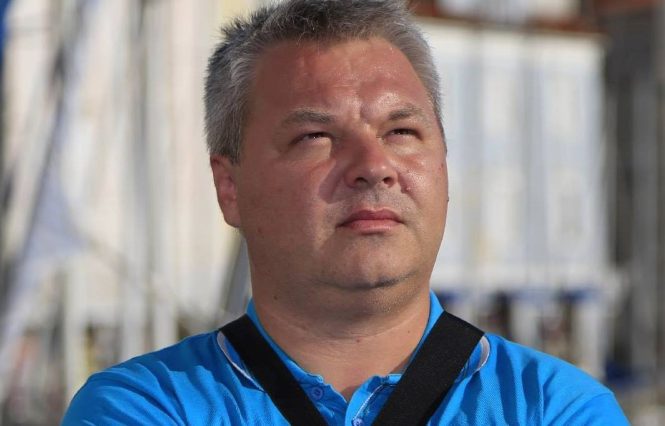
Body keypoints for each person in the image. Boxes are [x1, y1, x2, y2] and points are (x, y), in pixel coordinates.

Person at [63, 0, 629, 424]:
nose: (374, 166)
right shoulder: (144, 409)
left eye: (402, 131)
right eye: (315, 136)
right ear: (229, 186)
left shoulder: (556, 408)